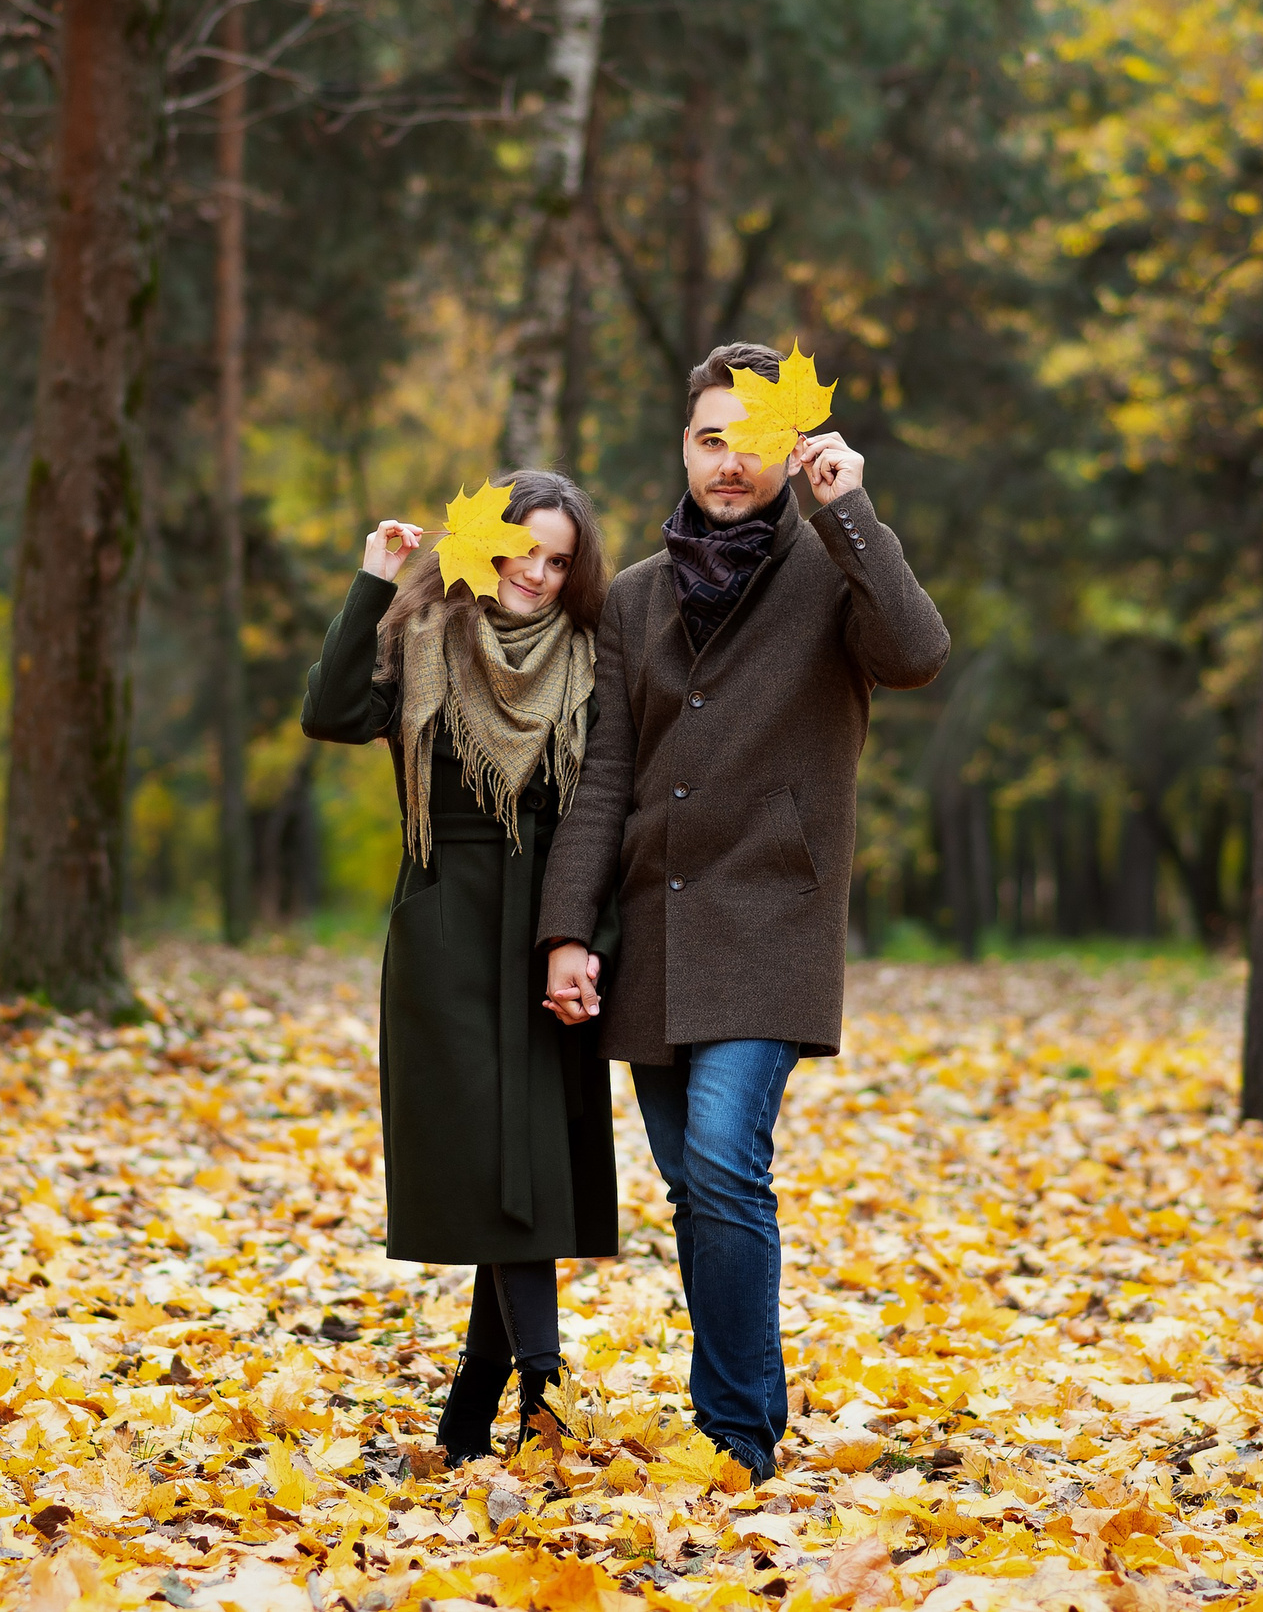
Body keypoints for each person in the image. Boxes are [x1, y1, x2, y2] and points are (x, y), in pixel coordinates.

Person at [535, 343, 950, 1484]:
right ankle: (751, 1407)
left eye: (753, 441)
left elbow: (917, 652)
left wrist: (849, 511)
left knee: (722, 1162)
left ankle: (733, 1434)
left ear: (793, 448)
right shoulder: (634, 597)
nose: (729, 462)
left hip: (773, 919)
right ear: (685, 446)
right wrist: (567, 930)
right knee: (697, 1185)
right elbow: (604, 777)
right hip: (656, 925)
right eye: (711, 439)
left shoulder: (834, 568)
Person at [300, 470, 621, 1467]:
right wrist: (372, 580)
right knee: (492, 1165)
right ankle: (542, 1395)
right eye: (524, 550)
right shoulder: (424, 638)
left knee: (525, 1173)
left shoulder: (592, 657)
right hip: (445, 935)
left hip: (551, 930)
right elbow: (330, 712)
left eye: (559, 560)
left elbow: (607, 810)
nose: (538, 573)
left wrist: (585, 936)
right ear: (484, 546)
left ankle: (476, 1406)